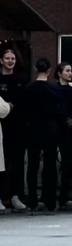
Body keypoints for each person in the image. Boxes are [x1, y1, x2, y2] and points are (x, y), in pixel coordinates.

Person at [23, 58, 63, 212]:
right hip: (50, 130)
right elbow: (59, 111)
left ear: (35, 69)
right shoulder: (54, 89)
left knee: (32, 165)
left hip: (33, 130)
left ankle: (32, 200)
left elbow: (24, 111)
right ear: (49, 70)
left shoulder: (29, 89)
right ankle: (50, 200)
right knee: (50, 165)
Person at [0, 43, 27, 210]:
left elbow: (23, 102)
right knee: (2, 162)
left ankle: (15, 195)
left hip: (17, 126)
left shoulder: (20, 80)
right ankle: (2, 196)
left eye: (13, 58)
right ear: (1, 61)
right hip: (1, 126)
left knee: (17, 161)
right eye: (7, 58)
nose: (10, 61)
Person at [53, 62, 72, 209]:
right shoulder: (54, 89)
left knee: (67, 164)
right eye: (67, 71)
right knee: (53, 163)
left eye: (71, 71)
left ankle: (64, 196)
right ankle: (51, 196)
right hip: (56, 129)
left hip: (68, 131)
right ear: (59, 73)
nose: (70, 73)